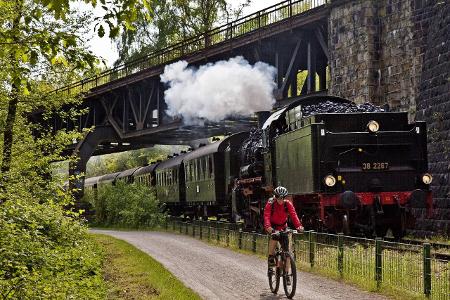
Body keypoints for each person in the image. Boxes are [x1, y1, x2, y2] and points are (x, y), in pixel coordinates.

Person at [264, 186, 303, 284]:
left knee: (288, 253)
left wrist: (299, 226)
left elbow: (294, 215)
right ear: (275, 196)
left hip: (283, 226)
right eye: (278, 197)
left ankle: (286, 274)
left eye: (282, 197)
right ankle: (270, 259)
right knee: (274, 237)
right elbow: (266, 216)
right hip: (273, 227)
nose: (280, 200)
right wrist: (268, 227)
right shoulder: (270, 203)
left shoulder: (288, 204)